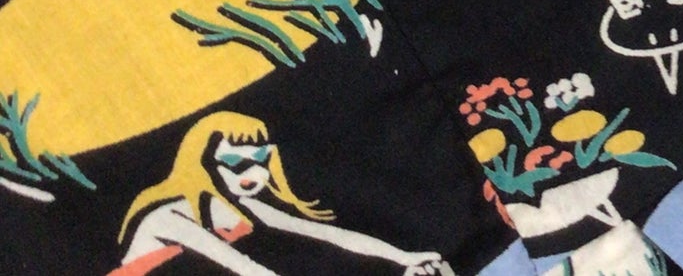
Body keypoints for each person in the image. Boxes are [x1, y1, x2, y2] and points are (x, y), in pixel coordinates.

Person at [110, 111, 452, 275]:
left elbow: (324, 232)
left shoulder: (237, 207)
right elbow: (243, 267)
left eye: (260, 159)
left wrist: (403, 257)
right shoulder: (166, 216)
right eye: (234, 163)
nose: (251, 174)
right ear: (201, 163)